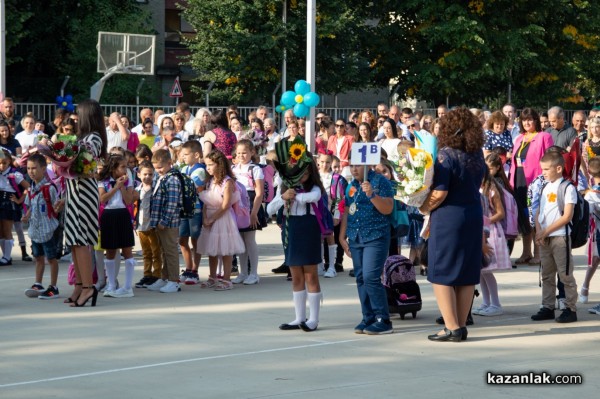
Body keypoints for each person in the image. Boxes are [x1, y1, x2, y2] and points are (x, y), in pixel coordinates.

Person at [419, 107, 485, 342]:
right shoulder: (477, 154)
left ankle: (451, 326)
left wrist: (423, 206)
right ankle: (460, 323)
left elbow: (440, 192)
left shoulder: (446, 155)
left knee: (441, 271)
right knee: (467, 272)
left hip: (449, 217)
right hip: (473, 213)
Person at [268, 142, 323, 332]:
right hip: (291, 230)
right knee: (296, 275)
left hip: (308, 228)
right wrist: (283, 197)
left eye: (304, 173)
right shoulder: (283, 187)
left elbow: (313, 198)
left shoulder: (314, 187)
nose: (300, 177)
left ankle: (313, 319)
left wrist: (296, 197)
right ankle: (299, 317)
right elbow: (269, 209)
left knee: (311, 275)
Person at [339, 156, 395, 335]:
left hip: (376, 235)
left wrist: (372, 194)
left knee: (371, 276)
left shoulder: (380, 181)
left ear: (367, 164)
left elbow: (388, 208)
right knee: (361, 278)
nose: (354, 169)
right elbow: (347, 211)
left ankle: (383, 318)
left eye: (357, 165)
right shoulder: (351, 186)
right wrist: (342, 236)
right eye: (351, 165)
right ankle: (368, 316)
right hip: (356, 237)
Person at [63, 99, 106, 307]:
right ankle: (79, 284)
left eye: (78, 114)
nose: (75, 118)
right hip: (73, 192)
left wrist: (65, 158)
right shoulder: (81, 136)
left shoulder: (94, 137)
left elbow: (85, 164)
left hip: (84, 194)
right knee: (74, 240)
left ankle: (89, 286)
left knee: (81, 241)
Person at [532, 151, 578, 323]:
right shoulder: (545, 186)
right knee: (547, 274)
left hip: (560, 237)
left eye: (546, 169)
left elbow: (567, 216)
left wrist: (546, 231)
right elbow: (539, 211)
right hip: (545, 238)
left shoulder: (567, 187)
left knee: (565, 274)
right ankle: (548, 306)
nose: (543, 172)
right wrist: (539, 231)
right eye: (542, 169)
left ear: (559, 168)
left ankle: (570, 308)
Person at [509, 108, 553, 265]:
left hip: (536, 182)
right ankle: (526, 252)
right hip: (519, 180)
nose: (527, 122)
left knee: (536, 217)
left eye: (530, 119)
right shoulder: (519, 138)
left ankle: (538, 253)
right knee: (523, 218)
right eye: (524, 120)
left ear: (536, 121)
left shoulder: (544, 137)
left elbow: (550, 160)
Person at [196, 150, 245, 291]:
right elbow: (206, 200)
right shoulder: (210, 181)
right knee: (212, 249)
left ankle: (227, 279)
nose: (208, 168)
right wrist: (205, 217)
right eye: (206, 165)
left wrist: (211, 218)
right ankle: (212, 277)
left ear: (220, 164)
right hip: (210, 216)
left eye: (211, 165)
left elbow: (226, 205)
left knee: (225, 249)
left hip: (222, 218)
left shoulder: (227, 182)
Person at [473, 164, 511, 317]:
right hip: (481, 230)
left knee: (487, 271)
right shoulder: (477, 189)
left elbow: (500, 213)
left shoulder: (492, 190)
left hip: (491, 232)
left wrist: (485, 221)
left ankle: (495, 303)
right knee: (481, 271)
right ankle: (486, 302)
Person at [21, 153, 60, 298]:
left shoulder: (50, 188)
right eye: (29, 168)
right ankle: (38, 283)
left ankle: (53, 287)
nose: (31, 171)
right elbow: (31, 205)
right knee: (38, 257)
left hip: (48, 229)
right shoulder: (31, 188)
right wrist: (27, 215)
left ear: (44, 168)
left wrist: (58, 207)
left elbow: (57, 205)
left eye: (34, 168)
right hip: (35, 230)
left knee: (51, 258)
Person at [144, 149, 183, 293]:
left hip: (169, 223)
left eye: (160, 167)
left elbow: (172, 203)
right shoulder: (161, 177)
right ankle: (165, 277)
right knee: (164, 251)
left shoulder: (172, 179)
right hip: (159, 222)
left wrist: (164, 221)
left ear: (169, 163)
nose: (158, 170)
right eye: (156, 168)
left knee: (171, 251)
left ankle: (174, 280)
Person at [98, 154, 136, 298]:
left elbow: (128, 201)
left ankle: (127, 287)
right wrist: (116, 187)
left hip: (123, 214)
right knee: (110, 251)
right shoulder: (103, 179)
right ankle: (112, 285)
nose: (126, 169)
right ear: (114, 168)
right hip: (108, 214)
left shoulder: (129, 177)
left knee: (127, 250)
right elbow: (102, 199)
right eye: (123, 166)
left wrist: (122, 187)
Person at [231, 140, 265, 285]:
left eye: (244, 152)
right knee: (240, 240)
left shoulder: (255, 169)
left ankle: (254, 273)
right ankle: (243, 272)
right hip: (237, 204)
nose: (241, 155)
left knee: (250, 240)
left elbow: (259, 192)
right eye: (238, 153)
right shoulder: (233, 168)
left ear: (252, 152)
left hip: (250, 203)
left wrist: (254, 213)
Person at [178, 141, 207, 285]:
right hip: (183, 209)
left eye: (186, 154)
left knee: (195, 239)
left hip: (195, 209)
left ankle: (195, 270)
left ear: (196, 154)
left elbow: (190, 186)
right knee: (182, 239)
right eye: (182, 155)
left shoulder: (200, 170)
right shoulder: (183, 170)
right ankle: (188, 268)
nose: (183, 157)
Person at [317, 150, 346, 278]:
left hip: (328, 212)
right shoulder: (314, 176)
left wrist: (336, 215)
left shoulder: (336, 178)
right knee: (318, 239)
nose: (324, 165)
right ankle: (320, 265)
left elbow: (339, 198)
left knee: (330, 237)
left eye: (327, 162)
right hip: (316, 212)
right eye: (322, 162)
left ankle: (332, 266)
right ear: (318, 162)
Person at [134, 161, 162, 289]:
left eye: (150, 174)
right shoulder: (137, 190)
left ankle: (156, 275)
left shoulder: (156, 189)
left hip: (152, 226)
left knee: (156, 251)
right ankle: (147, 274)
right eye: (145, 174)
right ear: (139, 174)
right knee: (146, 252)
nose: (147, 177)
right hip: (141, 225)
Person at [582, 157, 600, 308]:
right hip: (597, 232)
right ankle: (584, 288)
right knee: (594, 260)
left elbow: (587, 215)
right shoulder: (592, 193)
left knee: (594, 260)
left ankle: (584, 289)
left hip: (597, 231)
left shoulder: (591, 195)